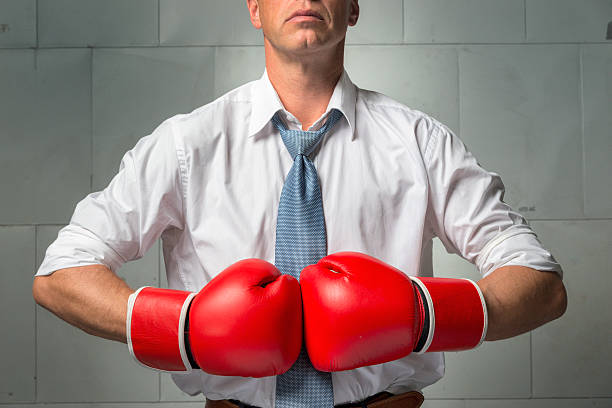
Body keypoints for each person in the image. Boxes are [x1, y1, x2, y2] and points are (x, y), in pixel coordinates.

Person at [32, 1, 568, 408]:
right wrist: (186, 327)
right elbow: (59, 275)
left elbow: (542, 285)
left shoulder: (420, 142)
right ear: (254, 8)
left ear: (354, 8)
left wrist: (423, 315)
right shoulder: (186, 144)